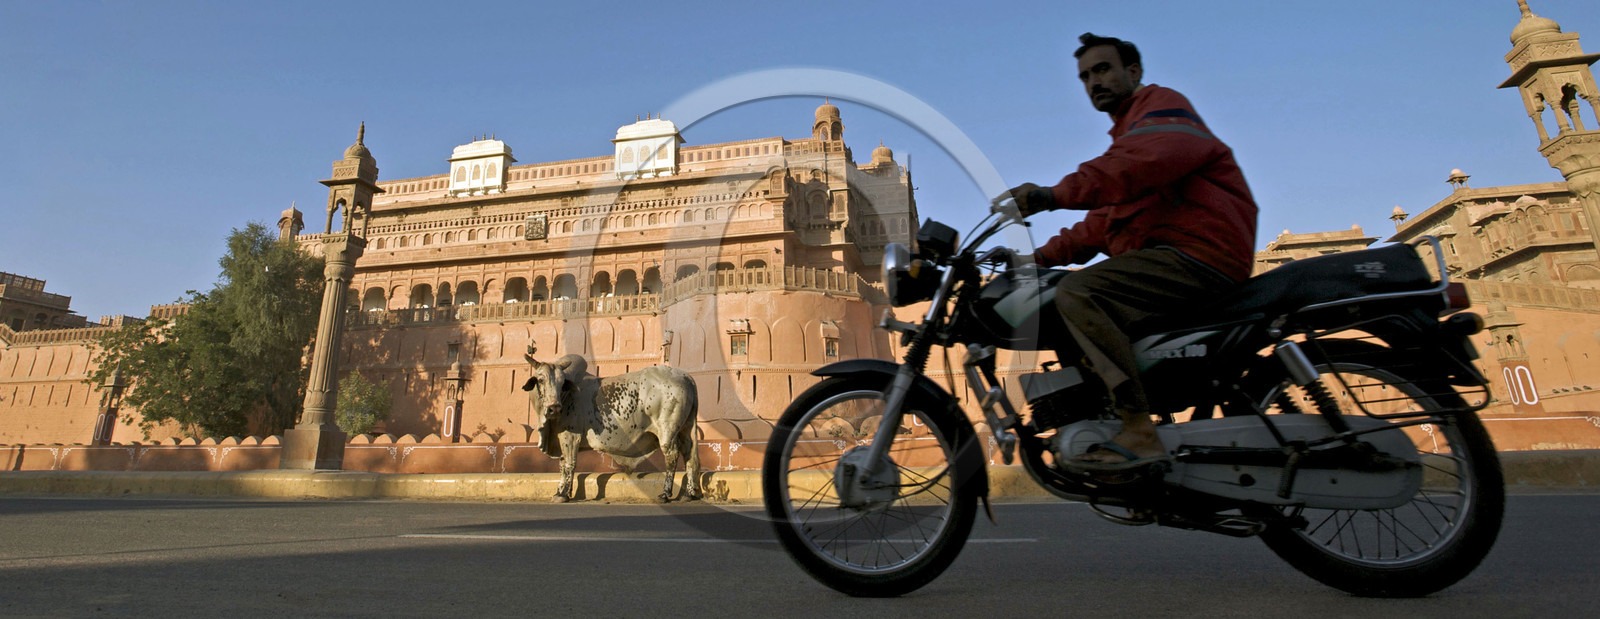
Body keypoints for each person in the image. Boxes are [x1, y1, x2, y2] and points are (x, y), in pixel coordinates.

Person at [997, 33, 1258, 476]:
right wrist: (1034, 259)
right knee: (1067, 295)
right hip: (1173, 257)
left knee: (1080, 293)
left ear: (1133, 72)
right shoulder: (1131, 135)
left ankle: (1137, 428)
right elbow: (1103, 223)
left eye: (1103, 69)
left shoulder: (1160, 111)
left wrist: (1050, 194)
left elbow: (1130, 170)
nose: (1093, 82)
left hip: (1198, 254)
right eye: (1084, 76)